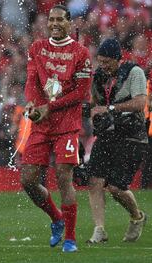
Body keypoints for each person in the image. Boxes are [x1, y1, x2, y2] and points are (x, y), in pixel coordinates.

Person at [20, 5, 92, 253]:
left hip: (67, 126)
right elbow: (31, 80)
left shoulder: (81, 53)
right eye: (51, 19)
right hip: (42, 123)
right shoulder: (37, 48)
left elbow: (81, 93)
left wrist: (51, 107)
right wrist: (32, 102)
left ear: (69, 22)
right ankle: (57, 218)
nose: (55, 23)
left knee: (63, 177)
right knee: (27, 179)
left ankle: (70, 238)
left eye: (60, 19)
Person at [86, 38, 147, 243]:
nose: (103, 66)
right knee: (94, 180)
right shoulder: (99, 77)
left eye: (107, 62)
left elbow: (140, 103)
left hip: (132, 135)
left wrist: (111, 109)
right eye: (100, 61)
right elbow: (93, 102)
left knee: (116, 187)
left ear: (117, 59)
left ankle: (137, 216)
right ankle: (99, 229)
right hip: (107, 135)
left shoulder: (134, 72)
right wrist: (90, 110)